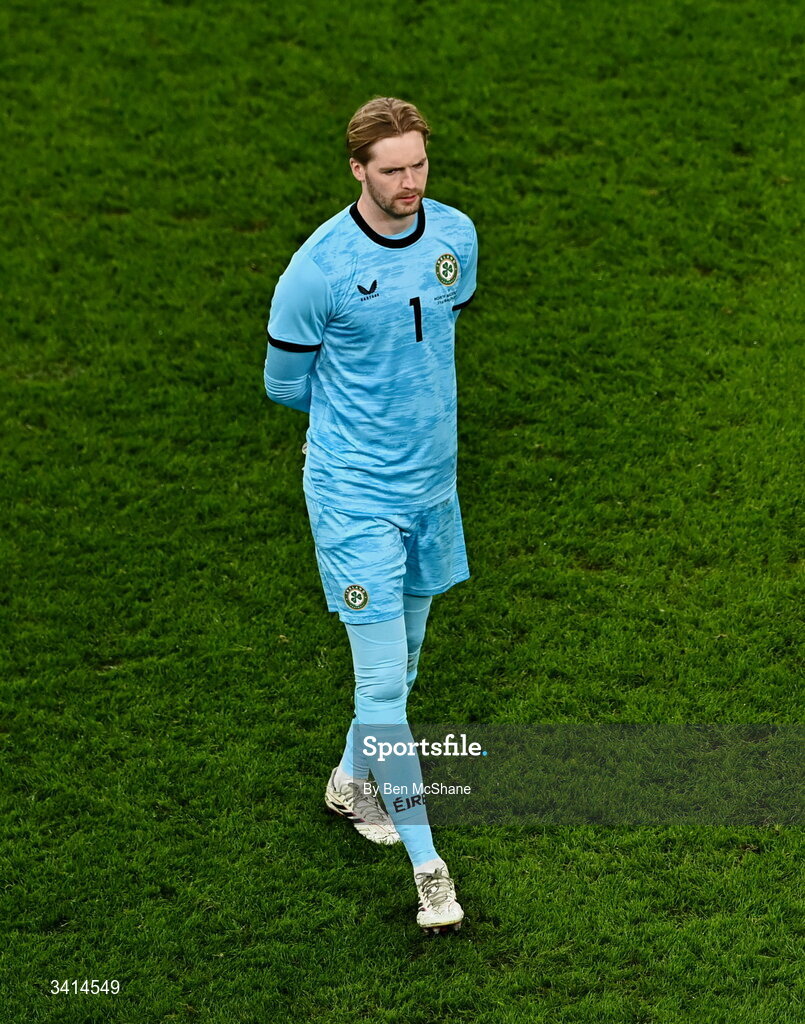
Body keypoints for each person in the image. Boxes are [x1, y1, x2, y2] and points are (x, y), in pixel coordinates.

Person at [263, 96, 477, 934]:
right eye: (390, 169)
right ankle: (429, 868)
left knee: (408, 662)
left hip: (433, 489)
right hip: (354, 498)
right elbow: (284, 385)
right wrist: (358, 443)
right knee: (382, 681)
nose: (408, 183)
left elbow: (443, 322)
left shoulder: (454, 235)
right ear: (356, 168)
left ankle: (350, 784)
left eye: (418, 164)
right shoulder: (315, 270)